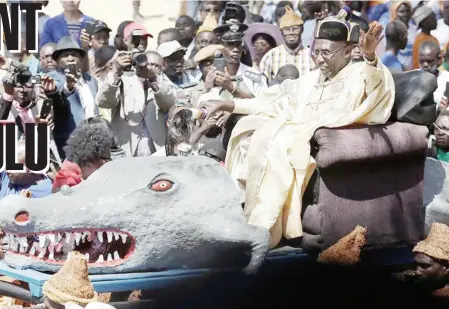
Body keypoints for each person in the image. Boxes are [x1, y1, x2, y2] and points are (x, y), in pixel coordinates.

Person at [200, 13, 394, 249]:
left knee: (279, 142)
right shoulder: (311, 78)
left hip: (319, 137)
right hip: (296, 134)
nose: (320, 59)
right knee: (248, 127)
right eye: (317, 52)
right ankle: (245, 210)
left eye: (326, 53)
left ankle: (266, 226)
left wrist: (371, 56)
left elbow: (379, 87)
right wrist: (228, 104)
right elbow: (273, 99)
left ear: (346, 51)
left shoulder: (361, 73)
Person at [46, 36, 99, 157]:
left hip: (92, 140)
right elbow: (58, 94)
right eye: (65, 55)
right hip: (68, 142)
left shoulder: (90, 80)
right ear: (57, 59)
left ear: (80, 58)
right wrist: (68, 86)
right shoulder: (52, 78)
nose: (70, 58)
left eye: (74, 54)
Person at [259, 6, 315, 82]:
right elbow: (263, 85)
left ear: (302, 30)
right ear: (281, 32)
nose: (291, 32)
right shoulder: (271, 56)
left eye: (295, 29)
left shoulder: (311, 55)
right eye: (287, 29)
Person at [213, 23, 268, 97]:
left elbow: (263, 104)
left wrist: (231, 88)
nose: (236, 49)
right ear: (220, 47)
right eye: (230, 44)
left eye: (238, 44)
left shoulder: (254, 77)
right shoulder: (213, 74)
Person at [418, 41, 449, 107]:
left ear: (439, 60)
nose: (425, 65)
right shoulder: (412, 78)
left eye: (429, 61)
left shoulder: (447, 79)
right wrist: (435, 104)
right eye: (422, 61)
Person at [389, 1, 416, 71]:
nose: (405, 14)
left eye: (407, 11)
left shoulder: (415, 29)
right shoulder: (390, 30)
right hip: (395, 70)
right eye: (401, 11)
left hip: (411, 72)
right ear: (395, 13)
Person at [411, 4, 438, 70]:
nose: (436, 20)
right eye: (433, 18)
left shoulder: (433, 39)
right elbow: (418, 65)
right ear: (423, 22)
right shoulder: (420, 40)